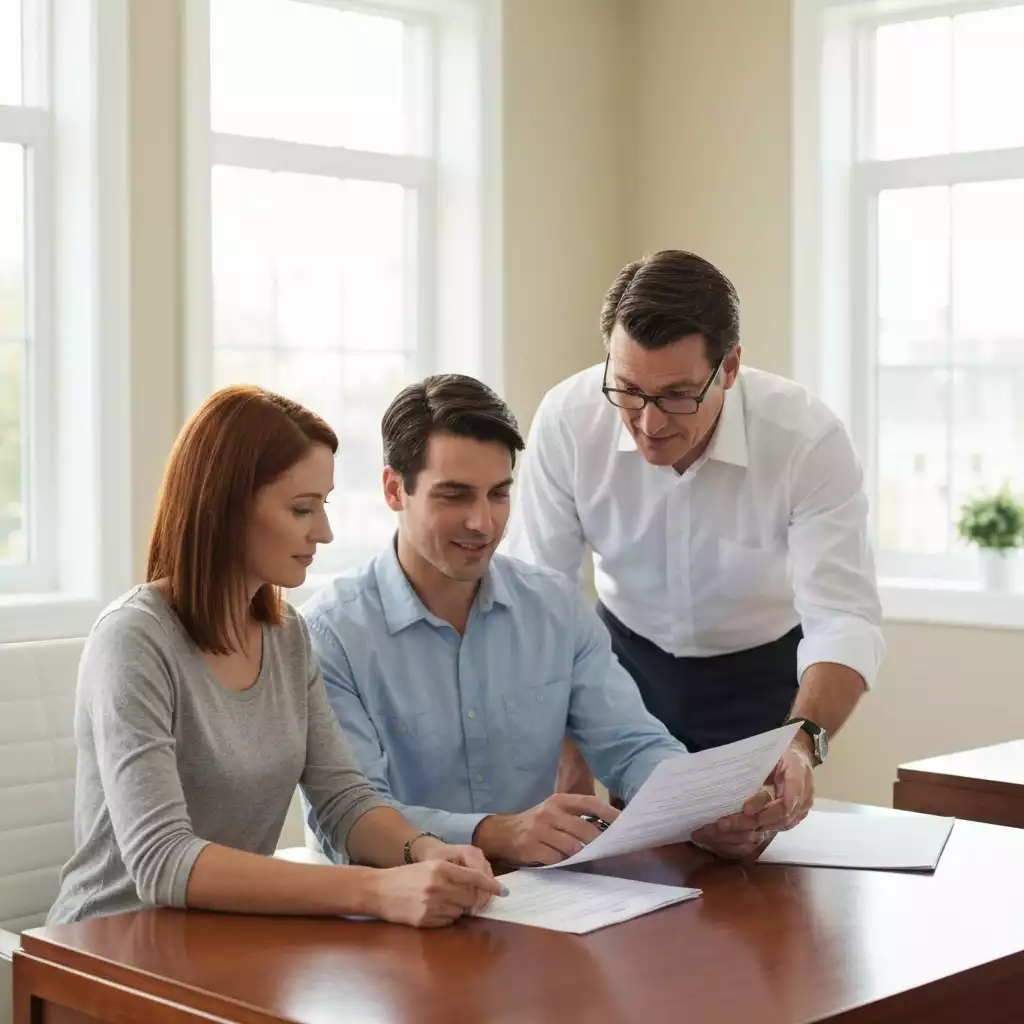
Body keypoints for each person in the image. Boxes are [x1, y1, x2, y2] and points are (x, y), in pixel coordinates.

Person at [48, 386, 502, 928]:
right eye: (301, 509)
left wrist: (425, 850)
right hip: (107, 951)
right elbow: (161, 862)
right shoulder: (134, 640)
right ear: (225, 507)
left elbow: (343, 799)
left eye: (323, 505)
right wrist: (374, 890)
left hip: (229, 942)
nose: (325, 532)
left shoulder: (288, 636)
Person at [302, 374, 776, 865]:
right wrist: (496, 834)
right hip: (382, 913)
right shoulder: (329, 635)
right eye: (455, 495)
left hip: (536, 903)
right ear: (394, 489)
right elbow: (352, 816)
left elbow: (633, 747)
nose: (482, 523)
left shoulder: (555, 608)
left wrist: (706, 810)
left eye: (499, 494)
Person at [504, 250, 886, 834]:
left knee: (745, 855)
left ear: (729, 367)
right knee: (623, 861)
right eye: (628, 390)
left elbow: (842, 616)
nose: (651, 424)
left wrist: (803, 741)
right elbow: (541, 600)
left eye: (679, 395)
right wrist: (566, 751)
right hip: (620, 661)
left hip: (760, 671)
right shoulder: (569, 419)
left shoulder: (806, 438)